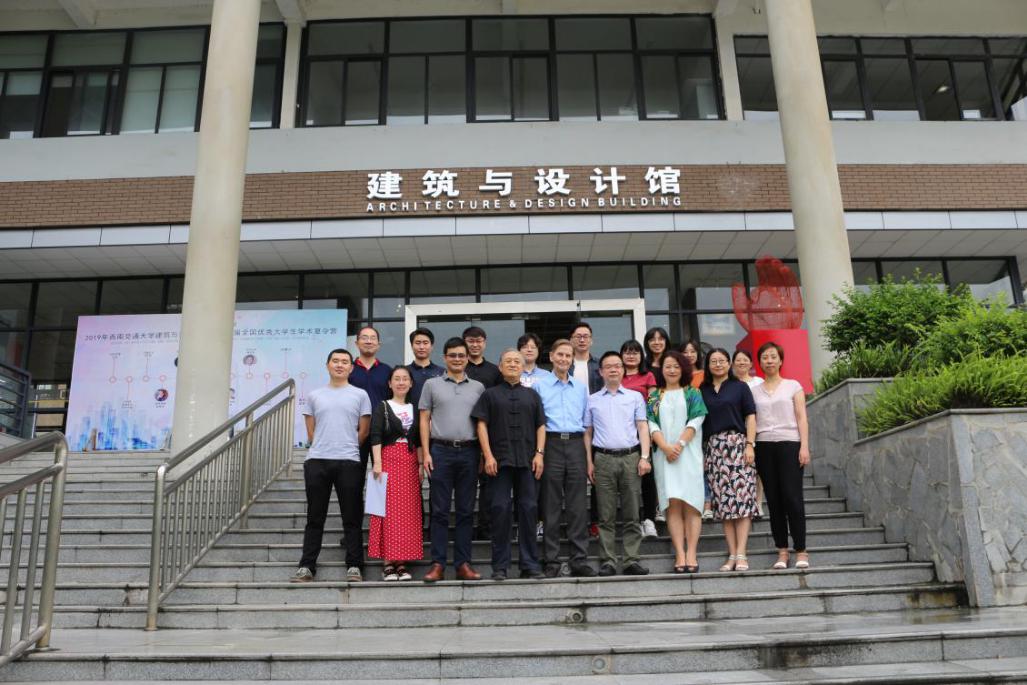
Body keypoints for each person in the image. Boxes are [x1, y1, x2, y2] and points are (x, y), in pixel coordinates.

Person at [293, 349, 371, 583]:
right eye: (335, 361)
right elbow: (311, 431)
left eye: (344, 362)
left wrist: (346, 446)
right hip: (317, 461)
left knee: (352, 516)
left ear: (351, 368)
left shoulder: (360, 395)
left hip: (349, 461)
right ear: (327, 365)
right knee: (315, 517)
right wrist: (324, 445)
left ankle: (355, 565)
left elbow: (364, 431)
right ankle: (307, 566)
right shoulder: (314, 395)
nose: (339, 365)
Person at [473, 349, 547, 581]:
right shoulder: (489, 395)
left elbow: (541, 425)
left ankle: (530, 564)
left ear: (523, 366)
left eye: (517, 361)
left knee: (529, 510)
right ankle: (500, 566)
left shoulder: (532, 395)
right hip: (499, 462)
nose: (513, 364)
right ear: (500, 367)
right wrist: (488, 456)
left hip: (527, 461)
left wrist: (539, 454)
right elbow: (481, 425)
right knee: (500, 511)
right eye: (508, 361)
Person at [419, 337, 486, 582]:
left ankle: (462, 564)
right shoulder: (431, 384)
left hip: (469, 452)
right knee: (439, 510)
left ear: (467, 358)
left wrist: (483, 453)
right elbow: (424, 420)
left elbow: (482, 423)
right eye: (452, 355)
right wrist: (426, 453)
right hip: (440, 451)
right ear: (445, 358)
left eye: (461, 355)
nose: (457, 359)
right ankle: (437, 564)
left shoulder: (478, 387)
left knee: (466, 511)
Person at [585, 351, 652, 577]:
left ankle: (632, 559)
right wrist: (589, 462)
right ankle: (608, 561)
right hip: (603, 459)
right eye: (608, 366)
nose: (613, 369)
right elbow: (588, 433)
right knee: (606, 515)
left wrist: (644, 457)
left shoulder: (634, 397)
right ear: (601, 372)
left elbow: (642, 427)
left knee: (632, 512)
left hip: (630, 457)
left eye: (617, 366)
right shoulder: (592, 399)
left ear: (623, 370)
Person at [533, 338, 596, 578]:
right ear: (551, 357)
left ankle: (579, 559)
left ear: (572, 360)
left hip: (576, 444)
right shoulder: (539, 386)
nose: (564, 359)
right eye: (560, 354)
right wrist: (539, 453)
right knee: (550, 505)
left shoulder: (580, 388)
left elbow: (587, 425)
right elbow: (537, 423)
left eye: (568, 356)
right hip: (551, 444)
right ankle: (551, 560)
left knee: (577, 506)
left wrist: (588, 458)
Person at [646, 350, 707, 573]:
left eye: (676, 366)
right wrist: (665, 446)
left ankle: (692, 553)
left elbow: (696, 419)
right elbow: (651, 423)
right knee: (672, 506)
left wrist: (679, 445)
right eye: (667, 366)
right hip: (664, 457)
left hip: (688, 454)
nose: (672, 370)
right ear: (661, 370)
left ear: (683, 369)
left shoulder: (693, 393)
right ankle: (680, 553)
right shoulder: (655, 396)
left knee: (692, 504)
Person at [753, 341, 811, 570]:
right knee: (774, 500)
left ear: (780, 361)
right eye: (765, 357)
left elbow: (801, 417)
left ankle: (801, 550)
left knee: (792, 498)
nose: (769, 361)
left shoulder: (793, 386)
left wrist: (804, 446)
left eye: (773, 357)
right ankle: (782, 551)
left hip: (790, 444)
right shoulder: (753, 391)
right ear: (760, 362)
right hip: (764, 446)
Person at [700, 348, 758, 573]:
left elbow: (750, 416)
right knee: (724, 505)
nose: (718, 364)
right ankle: (732, 554)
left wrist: (750, 444)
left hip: (738, 445)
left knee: (742, 502)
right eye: (713, 361)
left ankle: (742, 553)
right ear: (708, 365)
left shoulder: (740, 387)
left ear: (729, 363)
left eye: (722, 360)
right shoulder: (703, 390)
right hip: (714, 449)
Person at [368, 366, 423, 581]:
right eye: (397, 379)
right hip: (388, 461)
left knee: (408, 513)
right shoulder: (383, 406)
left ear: (411, 383)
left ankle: (402, 561)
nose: (401, 382)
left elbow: (419, 439)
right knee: (388, 512)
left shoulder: (415, 408)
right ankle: (388, 562)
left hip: (410, 463)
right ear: (390, 384)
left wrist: (420, 465)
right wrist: (377, 463)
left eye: (405, 379)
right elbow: (375, 435)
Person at [463, 325, 500, 541]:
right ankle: (465, 528)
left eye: (479, 341)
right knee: (465, 484)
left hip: (488, 434)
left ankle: (485, 527)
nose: (475, 345)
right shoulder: (458, 368)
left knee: (488, 483)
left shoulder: (495, 371)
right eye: (471, 341)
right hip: (463, 433)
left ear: (484, 343)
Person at [621, 339, 659, 539]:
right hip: (622, 433)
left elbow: (653, 406)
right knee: (628, 480)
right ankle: (633, 521)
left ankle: (649, 520)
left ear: (641, 356)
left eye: (635, 352)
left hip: (643, 431)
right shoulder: (617, 376)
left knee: (647, 478)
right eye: (627, 352)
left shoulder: (648, 376)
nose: (631, 355)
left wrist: (652, 431)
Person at [569, 323, 603, 538]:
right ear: (571, 340)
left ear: (591, 340)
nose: (582, 340)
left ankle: (596, 522)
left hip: (598, 427)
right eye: (578, 336)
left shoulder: (599, 366)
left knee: (597, 476)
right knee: (574, 477)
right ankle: (576, 521)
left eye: (586, 336)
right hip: (572, 426)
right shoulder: (566, 364)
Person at [518, 332, 552, 541]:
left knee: (540, 482)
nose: (529, 349)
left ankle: (540, 522)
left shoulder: (547, 376)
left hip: (541, 432)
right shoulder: (512, 372)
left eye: (533, 346)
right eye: (525, 346)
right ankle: (521, 524)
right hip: (517, 434)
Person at [350, 325, 392, 473]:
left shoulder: (387, 371)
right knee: (354, 478)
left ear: (378, 344)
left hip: (382, 432)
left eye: (373, 338)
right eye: (364, 338)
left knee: (382, 476)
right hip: (354, 432)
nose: (369, 341)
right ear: (357, 343)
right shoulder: (348, 369)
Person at [733, 348, 765, 519]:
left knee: (758, 470)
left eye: (745, 359)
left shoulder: (759, 382)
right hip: (737, 432)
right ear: (733, 363)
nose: (742, 362)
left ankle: (758, 503)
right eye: (738, 360)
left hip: (758, 431)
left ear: (751, 363)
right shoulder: (729, 383)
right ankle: (743, 502)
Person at [406, 327, 444, 410]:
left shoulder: (442, 373)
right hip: (409, 417)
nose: (421, 347)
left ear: (432, 346)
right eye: (418, 343)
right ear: (412, 346)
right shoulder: (404, 372)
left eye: (425, 343)